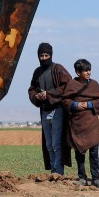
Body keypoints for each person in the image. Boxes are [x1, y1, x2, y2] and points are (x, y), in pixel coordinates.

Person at [53, 58, 99, 187]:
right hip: (77, 124)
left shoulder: (94, 84)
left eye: (89, 70)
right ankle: (82, 177)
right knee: (79, 152)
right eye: (85, 71)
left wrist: (89, 104)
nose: (88, 73)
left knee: (94, 153)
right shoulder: (71, 84)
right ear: (78, 72)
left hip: (91, 124)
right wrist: (76, 105)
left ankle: (96, 179)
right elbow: (65, 101)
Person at [27, 42, 72, 177]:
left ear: (51, 55)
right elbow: (32, 89)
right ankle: (53, 170)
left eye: (47, 55)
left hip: (58, 109)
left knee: (57, 143)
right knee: (48, 144)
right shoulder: (37, 72)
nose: (44, 58)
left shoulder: (58, 69)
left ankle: (58, 171)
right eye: (42, 55)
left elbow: (68, 86)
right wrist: (37, 96)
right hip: (44, 110)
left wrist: (49, 94)